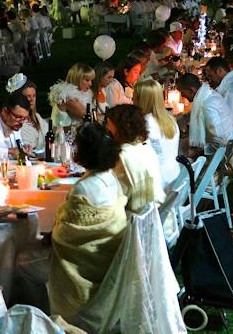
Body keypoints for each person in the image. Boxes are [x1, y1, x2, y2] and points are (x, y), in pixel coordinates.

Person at [49, 122, 127, 317]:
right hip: (108, 253)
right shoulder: (112, 179)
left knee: (22, 262)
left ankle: (42, 313)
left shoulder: (83, 189)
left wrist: (51, 234)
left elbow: (65, 235)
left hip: (86, 263)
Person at [107, 104, 165, 213]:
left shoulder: (123, 156)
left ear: (120, 127)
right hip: (150, 214)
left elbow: (112, 197)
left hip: (130, 219)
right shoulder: (146, 148)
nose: (107, 128)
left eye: (110, 125)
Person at [132, 79, 180, 187]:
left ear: (142, 100)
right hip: (173, 178)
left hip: (157, 185)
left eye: (134, 96)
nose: (131, 99)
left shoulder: (146, 125)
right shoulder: (170, 118)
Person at [177, 73, 233, 155]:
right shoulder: (207, 94)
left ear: (191, 90)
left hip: (224, 151)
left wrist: (200, 151)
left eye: (182, 92)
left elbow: (220, 140)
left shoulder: (207, 104)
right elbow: (192, 115)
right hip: (225, 142)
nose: (182, 96)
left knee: (178, 151)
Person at [7, 75, 48, 152]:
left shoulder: (37, 117)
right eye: (28, 96)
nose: (32, 99)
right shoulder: (16, 122)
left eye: (34, 96)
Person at [49, 63, 93, 131]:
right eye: (87, 80)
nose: (90, 84)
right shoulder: (68, 97)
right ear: (77, 79)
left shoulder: (84, 94)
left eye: (91, 80)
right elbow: (89, 116)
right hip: (64, 136)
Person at [204, 56, 233, 128]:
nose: (210, 80)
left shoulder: (230, 91)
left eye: (211, 76)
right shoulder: (232, 82)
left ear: (220, 71)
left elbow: (229, 121)